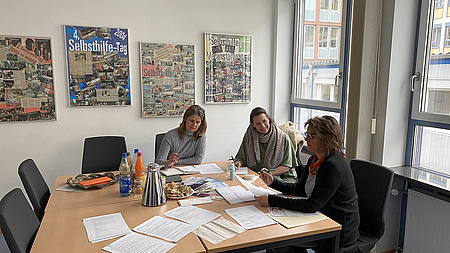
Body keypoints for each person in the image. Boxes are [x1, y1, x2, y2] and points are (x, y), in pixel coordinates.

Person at [255, 116, 360, 253]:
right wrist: (273, 182)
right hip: (320, 217)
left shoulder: (333, 167)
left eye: (311, 136)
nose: (306, 139)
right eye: (307, 134)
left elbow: (311, 205)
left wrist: (272, 200)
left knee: (281, 241)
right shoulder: (315, 159)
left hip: (337, 229)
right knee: (278, 237)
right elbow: (300, 189)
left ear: (326, 138)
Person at [234, 107, 297, 179]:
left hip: (282, 176)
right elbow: (241, 157)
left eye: (264, 121)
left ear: (269, 119)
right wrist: (238, 163)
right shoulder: (249, 137)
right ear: (253, 125)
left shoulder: (283, 138)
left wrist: (266, 173)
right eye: (258, 124)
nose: (263, 126)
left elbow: (286, 167)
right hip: (257, 175)